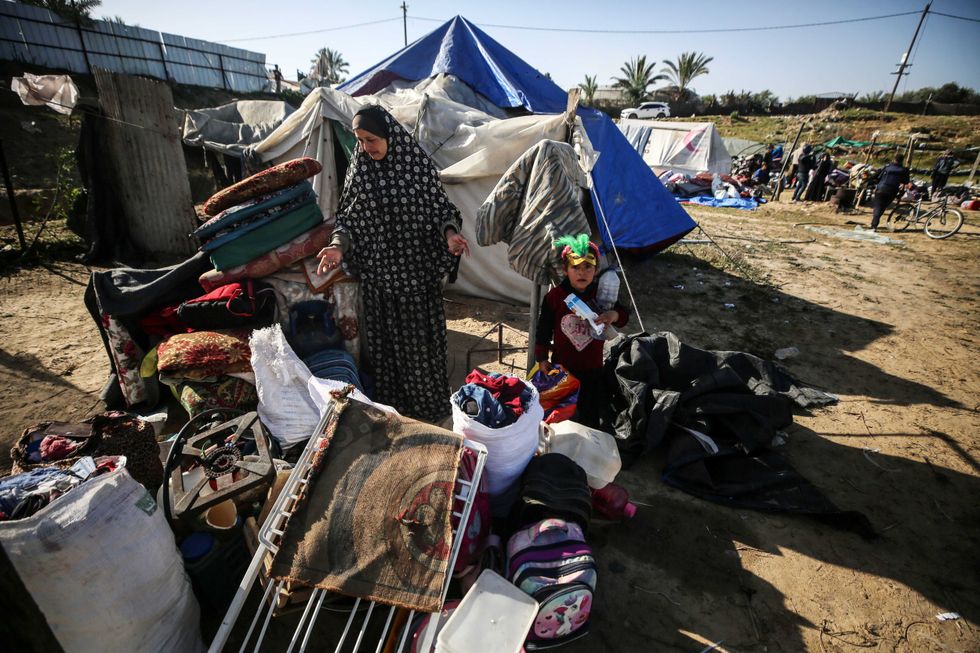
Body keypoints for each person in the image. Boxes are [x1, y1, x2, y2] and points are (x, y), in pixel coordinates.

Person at [316, 105, 470, 422]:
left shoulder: (417, 168)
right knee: (385, 351)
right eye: (360, 140)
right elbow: (348, 220)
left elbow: (441, 211)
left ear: (389, 136)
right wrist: (337, 246)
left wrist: (450, 234)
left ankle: (427, 410)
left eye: (371, 139)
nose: (365, 148)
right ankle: (395, 410)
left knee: (419, 351)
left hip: (416, 283)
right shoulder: (361, 171)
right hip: (379, 284)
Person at [534, 234, 629, 428]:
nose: (582, 273)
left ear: (596, 269)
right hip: (563, 367)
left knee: (589, 415)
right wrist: (541, 358)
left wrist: (613, 315)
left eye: (587, 267)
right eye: (575, 267)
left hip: (593, 368)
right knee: (562, 416)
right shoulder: (555, 297)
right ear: (565, 269)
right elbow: (543, 330)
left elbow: (623, 316)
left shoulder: (601, 295)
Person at [870, 154, 911, 230]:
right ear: (902, 161)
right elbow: (905, 181)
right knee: (882, 207)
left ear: (894, 159)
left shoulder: (887, 167)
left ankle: (874, 225)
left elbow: (877, 177)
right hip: (892, 191)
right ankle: (874, 224)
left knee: (878, 206)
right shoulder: (904, 170)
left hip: (881, 189)